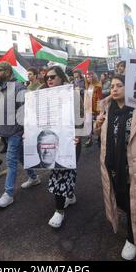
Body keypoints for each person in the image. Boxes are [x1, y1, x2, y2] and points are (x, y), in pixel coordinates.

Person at [94, 75, 136, 261]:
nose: (114, 89)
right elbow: (101, 137)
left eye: (119, 85)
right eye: (112, 86)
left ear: (129, 87)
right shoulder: (107, 108)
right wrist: (97, 126)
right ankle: (133, 225)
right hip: (113, 168)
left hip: (135, 168)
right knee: (122, 200)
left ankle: (132, 239)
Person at [0, 62, 40, 208]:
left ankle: (8, 194)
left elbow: (26, 111)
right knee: (20, 156)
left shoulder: (19, 88)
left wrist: (24, 130)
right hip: (6, 131)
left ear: (7, 72)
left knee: (11, 160)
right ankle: (34, 177)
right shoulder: (1, 89)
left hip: (16, 132)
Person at [42, 66, 82, 228]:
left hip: (70, 141)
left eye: (52, 77)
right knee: (59, 171)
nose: (49, 80)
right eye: (47, 78)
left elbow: (82, 117)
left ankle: (59, 211)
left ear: (62, 78)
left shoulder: (73, 95)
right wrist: (29, 133)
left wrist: (79, 133)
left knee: (62, 172)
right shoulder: (43, 96)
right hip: (51, 140)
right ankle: (69, 196)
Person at [84, 72, 103, 147]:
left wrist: (99, 109)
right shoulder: (87, 86)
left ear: (94, 77)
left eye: (90, 77)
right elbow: (86, 97)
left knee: (98, 123)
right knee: (88, 122)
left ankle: (99, 138)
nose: (89, 78)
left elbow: (100, 98)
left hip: (95, 107)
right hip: (88, 107)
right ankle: (89, 138)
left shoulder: (98, 86)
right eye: (87, 77)